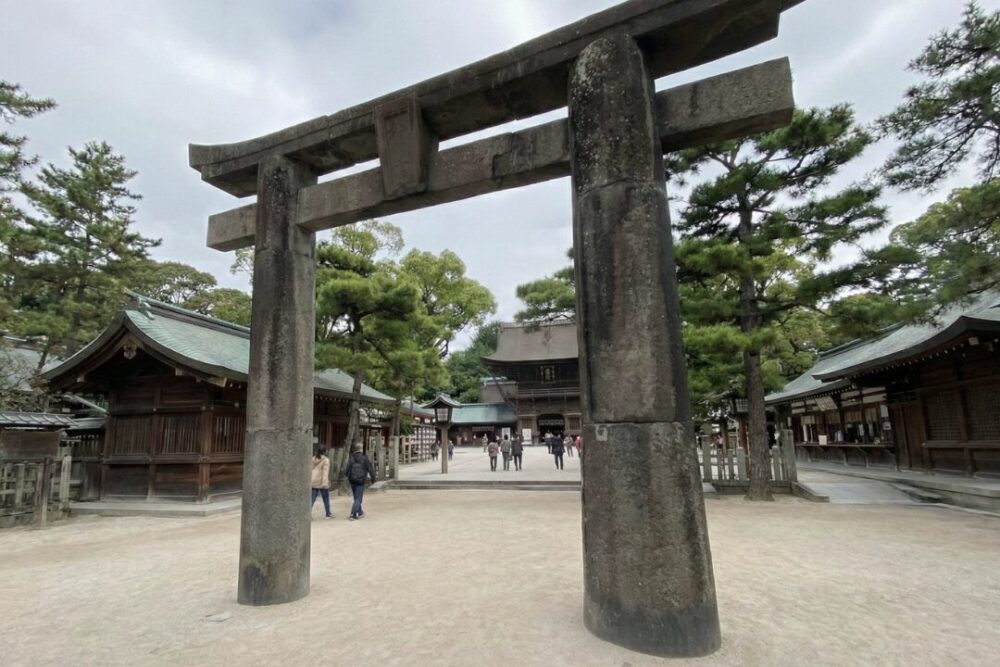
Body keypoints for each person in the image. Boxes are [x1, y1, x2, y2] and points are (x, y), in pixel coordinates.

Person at [343, 442, 375, 520]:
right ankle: (353, 514)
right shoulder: (364, 458)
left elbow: (346, 470)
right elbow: (370, 469)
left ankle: (359, 512)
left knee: (356, 497)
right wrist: (373, 479)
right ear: (361, 449)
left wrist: (348, 478)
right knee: (358, 498)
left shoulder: (351, 458)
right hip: (361, 480)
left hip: (352, 480)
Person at [310, 448, 332, 519]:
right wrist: (325, 483)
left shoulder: (313, 459)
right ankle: (328, 514)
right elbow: (325, 472)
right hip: (322, 482)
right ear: (324, 451)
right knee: (326, 499)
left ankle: (308, 515)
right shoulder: (326, 460)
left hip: (313, 481)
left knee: (312, 500)